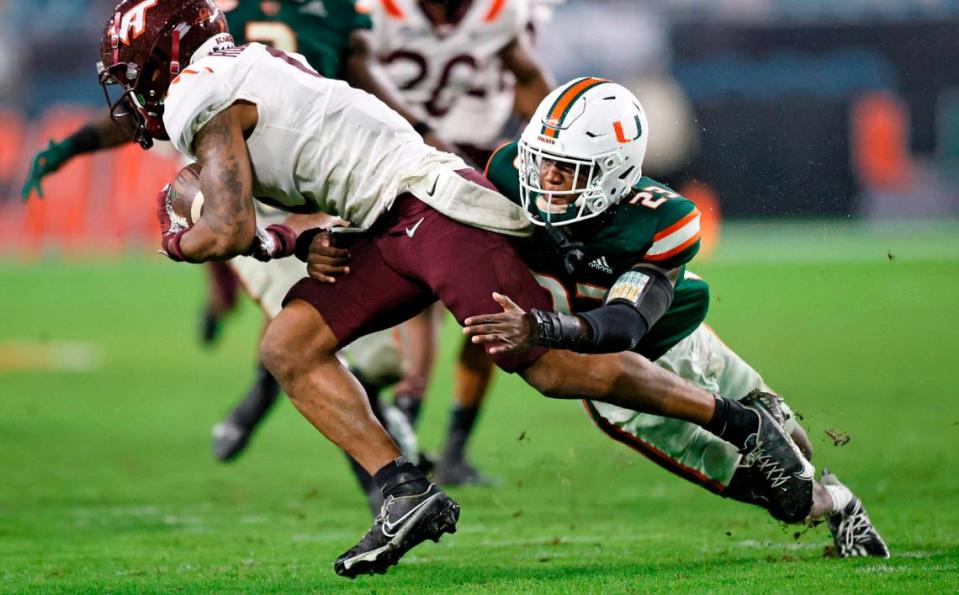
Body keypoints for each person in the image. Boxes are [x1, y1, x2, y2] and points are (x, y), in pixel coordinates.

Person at [99, 1, 811, 577]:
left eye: (132, 69)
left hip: (429, 205)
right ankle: (401, 491)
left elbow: (222, 227)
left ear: (168, 58)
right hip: (385, 215)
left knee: (551, 366)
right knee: (290, 343)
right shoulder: (235, 68)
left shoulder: (199, 90)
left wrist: (174, 236)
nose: (128, 87)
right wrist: (285, 239)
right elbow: (260, 204)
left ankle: (739, 424)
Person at [457, 78, 889, 558]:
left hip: (679, 337)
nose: (546, 178)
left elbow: (623, 324)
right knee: (785, 495)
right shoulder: (506, 170)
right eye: (543, 160)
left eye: (567, 168)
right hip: (622, 387)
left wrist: (543, 327)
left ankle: (823, 488)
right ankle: (839, 505)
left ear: (614, 171)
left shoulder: (664, 218)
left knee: (794, 445)